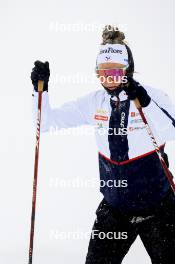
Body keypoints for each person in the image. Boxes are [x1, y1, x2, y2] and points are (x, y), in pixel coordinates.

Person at [31, 25, 175, 264]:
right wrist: (41, 92)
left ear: (128, 71)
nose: (109, 80)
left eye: (116, 73)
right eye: (102, 73)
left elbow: (172, 129)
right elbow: (47, 123)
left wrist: (147, 104)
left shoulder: (151, 96)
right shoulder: (94, 103)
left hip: (159, 208)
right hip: (115, 209)